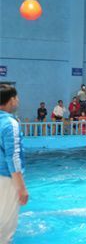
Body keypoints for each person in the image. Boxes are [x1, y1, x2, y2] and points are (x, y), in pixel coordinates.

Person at [0, 84, 28, 242]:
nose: (18, 101)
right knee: (5, 232)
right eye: (16, 98)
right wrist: (21, 187)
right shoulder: (10, 124)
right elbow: (13, 157)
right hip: (6, 180)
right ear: (11, 100)